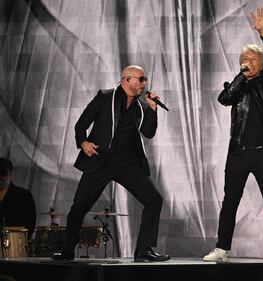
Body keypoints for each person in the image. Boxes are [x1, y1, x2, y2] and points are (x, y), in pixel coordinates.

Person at [203, 7, 263, 262]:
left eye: (253, 59)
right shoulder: (238, 86)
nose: (248, 63)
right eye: (244, 60)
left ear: (262, 63)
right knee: (230, 202)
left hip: (262, 153)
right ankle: (222, 249)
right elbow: (224, 98)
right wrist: (240, 76)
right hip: (237, 154)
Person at [52, 65, 170, 262]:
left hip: (128, 164)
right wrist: (84, 142)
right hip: (101, 160)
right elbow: (81, 125)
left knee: (154, 200)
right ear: (127, 79)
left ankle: (143, 250)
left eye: (145, 79)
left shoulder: (141, 106)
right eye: (140, 79)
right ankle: (67, 250)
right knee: (79, 206)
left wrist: (153, 108)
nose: (144, 83)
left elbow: (149, 132)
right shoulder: (105, 97)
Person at [0, 157, 36, 243]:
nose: (0, 177)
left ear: (10, 174)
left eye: (3, 173)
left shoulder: (23, 196)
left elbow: (29, 225)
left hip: (14, 245)